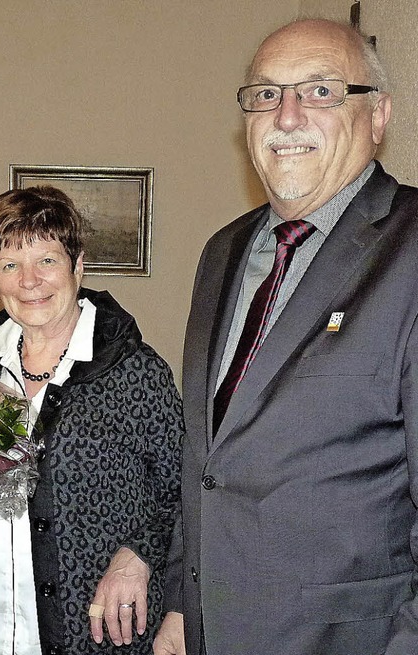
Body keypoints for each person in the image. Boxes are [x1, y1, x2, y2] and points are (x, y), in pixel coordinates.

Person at [153, 17, 418, 655]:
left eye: (320, 92)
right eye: (266, 94)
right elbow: (208, 462)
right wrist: (181, 606)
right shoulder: (223, 252)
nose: (288, 116)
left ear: (376, 116)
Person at [0, 185, 184, 654]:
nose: (29, 281)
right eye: (11, 265)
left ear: (78, 265)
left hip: (92, 635)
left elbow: (184, 492)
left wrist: (138, 556)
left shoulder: (133, 370)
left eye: (47, 260)